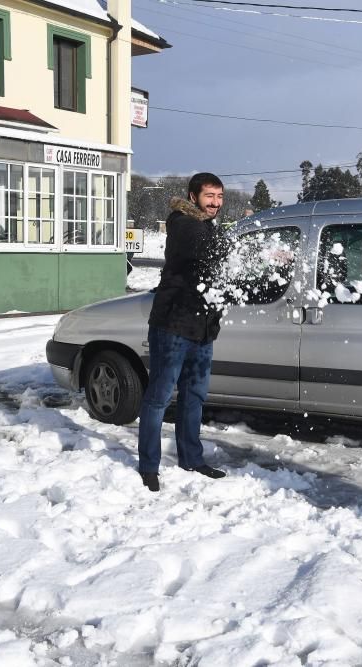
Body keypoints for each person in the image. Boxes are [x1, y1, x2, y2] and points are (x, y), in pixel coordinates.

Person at [137, 173, 230, 491]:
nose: (215, 202)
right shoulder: (184, 223)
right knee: (159, 398)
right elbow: (204, 252)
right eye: (209, 196)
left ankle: (192, 458)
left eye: (219, 196)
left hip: (202, 328)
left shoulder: (208, 225)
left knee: (194, 396)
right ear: (193, 197)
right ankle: (149, 465)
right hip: (173, 325)